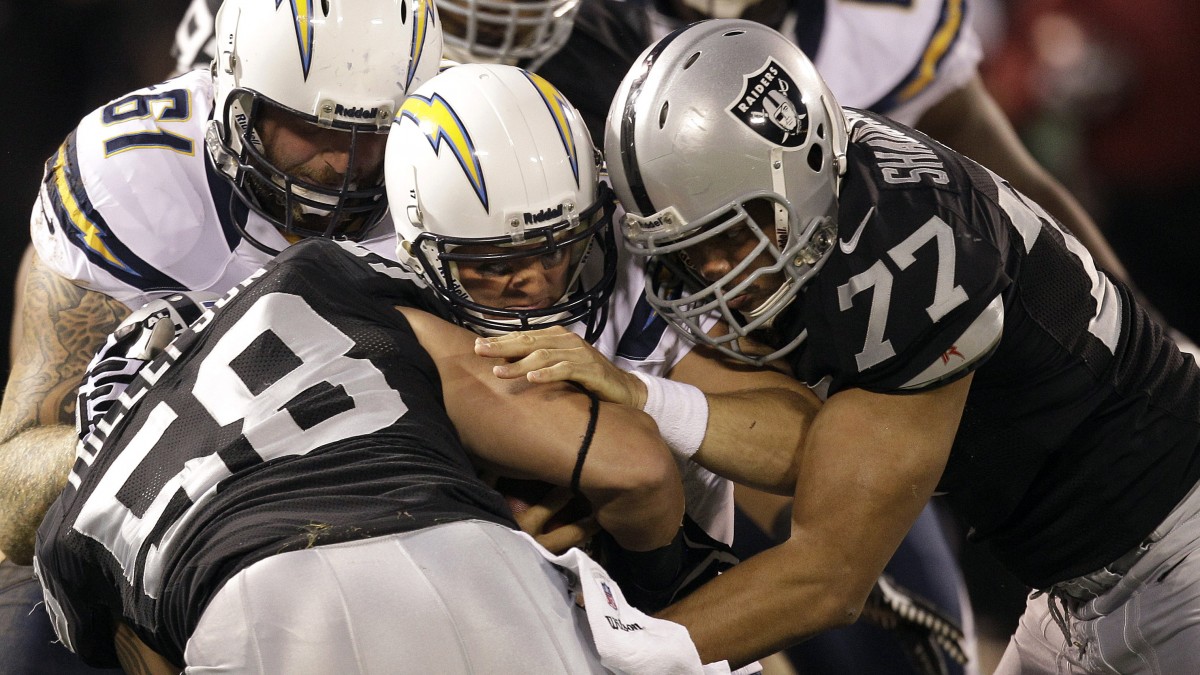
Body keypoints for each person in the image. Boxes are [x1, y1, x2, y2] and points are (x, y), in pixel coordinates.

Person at [603, 19, 1200, 674]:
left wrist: (595, 655)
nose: (716, 270)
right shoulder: (827, 180)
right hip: (1095, 579)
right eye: (690, 248)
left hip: (1173, 559)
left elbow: (826, 579)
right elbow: (806, 449)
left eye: (732, 234)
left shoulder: (904, 253)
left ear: (797, 172)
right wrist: (643, 397)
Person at [385, 61, 969, 674]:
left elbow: (802, 447)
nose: (537, 280)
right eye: (497, 263)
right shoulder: (383, 309)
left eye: (558, 247)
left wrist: (640, 396)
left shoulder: (634, 264)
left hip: (670, 619)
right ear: (417, 250)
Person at [34, 237, 717, 674]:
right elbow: (637, 467)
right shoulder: (312, 285)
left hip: (251, 618)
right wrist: (655, 585)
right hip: (467, 559)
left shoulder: (70, 529)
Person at [0, 0, 443, 670]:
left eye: (376, 131)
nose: (343, 162)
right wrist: (187, 437)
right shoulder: (136, 179)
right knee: (25, 632)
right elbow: (15, 498)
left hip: (378, 518)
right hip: (146, 549)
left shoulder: (452, 174)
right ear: (236, 97)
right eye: (309, 125)